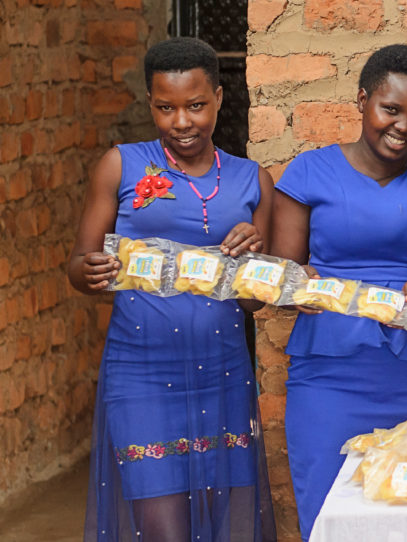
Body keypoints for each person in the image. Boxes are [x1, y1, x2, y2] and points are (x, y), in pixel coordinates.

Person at [68, 37, 277, 542]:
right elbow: (77, 265)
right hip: (140, 373)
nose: (182, 121)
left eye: (196, 106)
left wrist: (254, 261)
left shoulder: (253, 180)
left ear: (220, 99)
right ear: (151, 104)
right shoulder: (121, 165)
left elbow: (254, 301)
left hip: (222, 373)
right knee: (164, 530)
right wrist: (90, 271)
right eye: (166, 108)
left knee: (220, 521)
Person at [271, 44, 407, 540]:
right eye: (391, 109)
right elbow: (281, 279)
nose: (403, 127)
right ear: (362, 99)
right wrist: (300, 286)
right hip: (328, 374)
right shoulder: (308, 172)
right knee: (326, 511)